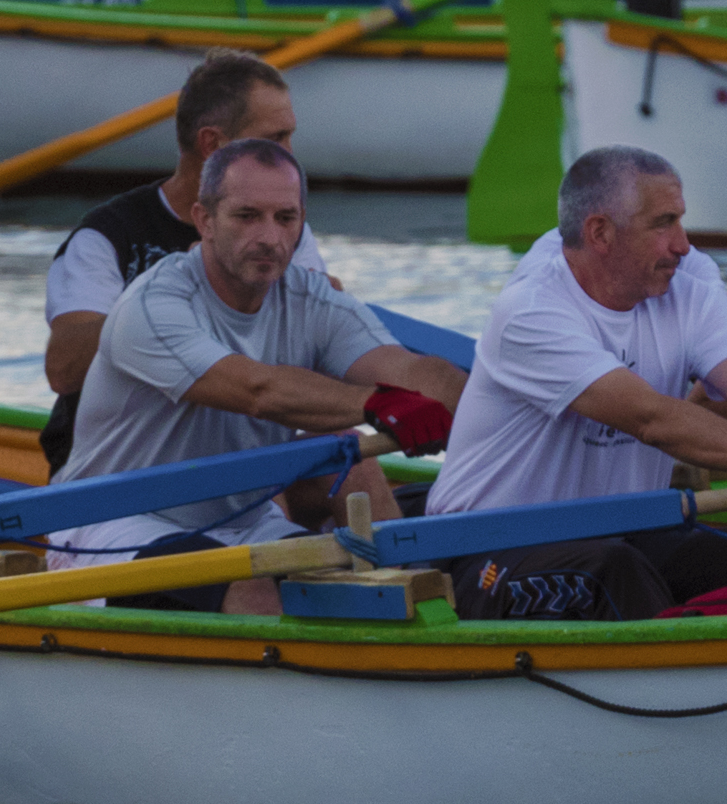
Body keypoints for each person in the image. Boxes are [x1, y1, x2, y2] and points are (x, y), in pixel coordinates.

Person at [420, 145, 727, 621]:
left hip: (623, 531)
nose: (683, 243)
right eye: (662, 224)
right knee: (609, 572)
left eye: (680, 218)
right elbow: (651, 419)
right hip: (484, 549)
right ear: (600, 233)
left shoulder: (688, 279)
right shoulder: (531, 312)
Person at [53, 139, 464, 614]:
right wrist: (380, 405)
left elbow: (410, 369)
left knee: (344, 589)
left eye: (285, 219)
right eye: (247, 216)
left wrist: (474, 408)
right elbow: (258, 390)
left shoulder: (312, 302)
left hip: (244, 520)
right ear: (204, 220)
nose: (270, 237)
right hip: (113, 523)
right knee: (262, 595)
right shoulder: (153, 306)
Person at [35, 49, 342, 470]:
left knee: (346, 451)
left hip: (236, 448)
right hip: (120, 468)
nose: (289, 155)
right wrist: (187, 297)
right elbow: (64, 369)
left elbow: (318, 347)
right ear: (212, 145)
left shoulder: (288, 232)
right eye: (274, 140)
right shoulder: (106, 237)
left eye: (290, 136)